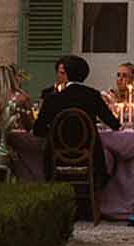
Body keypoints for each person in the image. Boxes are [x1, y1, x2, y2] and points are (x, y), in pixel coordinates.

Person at [36, 54, 119, 184]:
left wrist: (57, 132)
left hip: (57, 159)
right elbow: (114, 124)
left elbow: (38, 131)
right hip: (89, 159)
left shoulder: (52, 99)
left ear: (66, 74)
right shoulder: (93, 95)